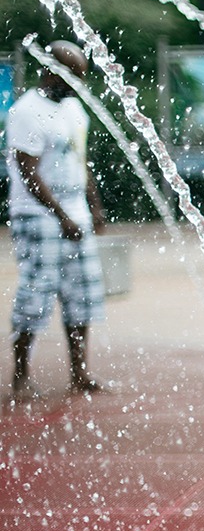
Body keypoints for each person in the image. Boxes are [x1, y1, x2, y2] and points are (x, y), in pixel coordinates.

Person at [6, 40, 107, 397]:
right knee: (36, 293)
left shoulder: (74, 109)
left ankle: (80, 373)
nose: (77, 86)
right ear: (51, 72)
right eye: (72, 78)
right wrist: (61, 216)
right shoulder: (26, 112)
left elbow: (80, 160)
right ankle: (20, 374)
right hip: (37, 216)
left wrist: (93, 206)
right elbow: (28, 172)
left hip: (74, 214)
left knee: (82, 295)